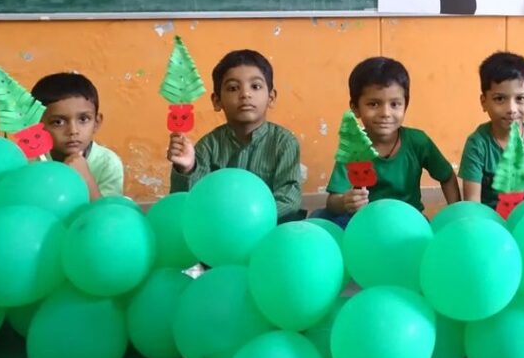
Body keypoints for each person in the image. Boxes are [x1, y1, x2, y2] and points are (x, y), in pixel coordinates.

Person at [318, 57, 460, 226]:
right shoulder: (354, 149)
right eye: (373, 104)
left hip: (408, 219)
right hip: (366, 221)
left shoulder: (418, 142)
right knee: (320, 215)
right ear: (355, 108)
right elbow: (332, 200)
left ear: (405, 105)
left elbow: (447, 176)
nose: (385, 113)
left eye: (394, 104)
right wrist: (344, 202)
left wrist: (455, 214)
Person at [167, 49, 304, 222]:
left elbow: (289, 198)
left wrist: (252, 217)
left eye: (255, 86)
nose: (245, 94)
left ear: (271, 97)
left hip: (269, 226)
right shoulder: (208, 146)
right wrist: (186, 169)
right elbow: (191, 202)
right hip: (221, 228)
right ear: (217, 101)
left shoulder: (284, 143)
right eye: (233, 88)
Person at [459, 51, 524, 208]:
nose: (511, 109)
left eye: (520, 99)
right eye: (499, 99)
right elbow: (473, 205)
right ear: (484, 102)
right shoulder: (477, 144)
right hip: (491, 224)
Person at [32, 73, 124, 199]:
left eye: (83, 119)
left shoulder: (107, 163)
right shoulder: (32, 163)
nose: (73, 131)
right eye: (58, 122)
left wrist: (86, 178)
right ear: (38, 127)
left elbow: (106, 214)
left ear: (96, 123)